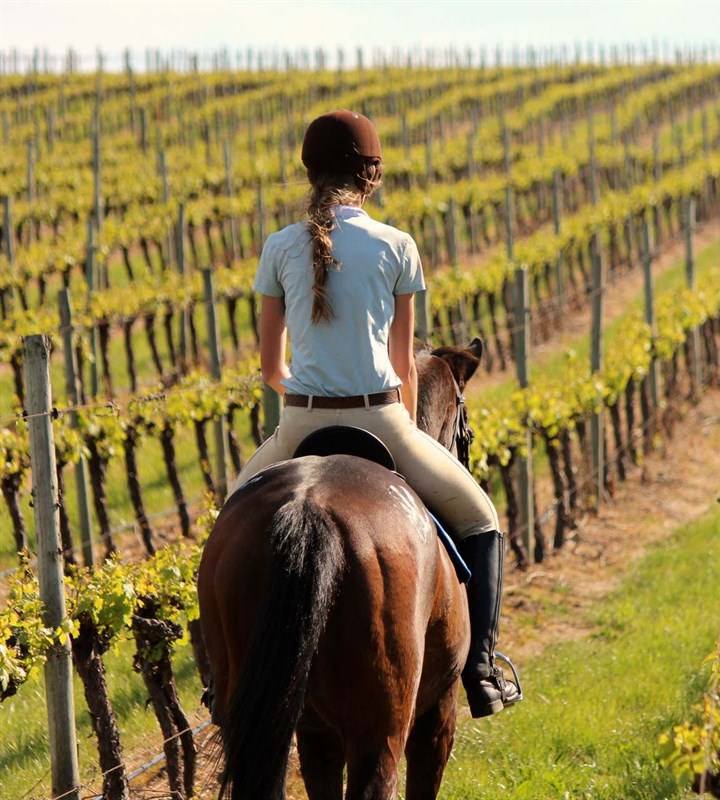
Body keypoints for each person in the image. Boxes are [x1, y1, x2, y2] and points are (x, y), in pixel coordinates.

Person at [232, 109, 521, 718]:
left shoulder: (279, 246)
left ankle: (222, 678)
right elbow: (404, 362)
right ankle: (481, 671)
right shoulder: (397, 246)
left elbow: (268, 369)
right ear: (371, 176)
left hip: (300, 423)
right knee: (481, 518)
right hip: (383, 421)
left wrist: (304, 398)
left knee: (229, 523)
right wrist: (403, 425)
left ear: (310, 173)